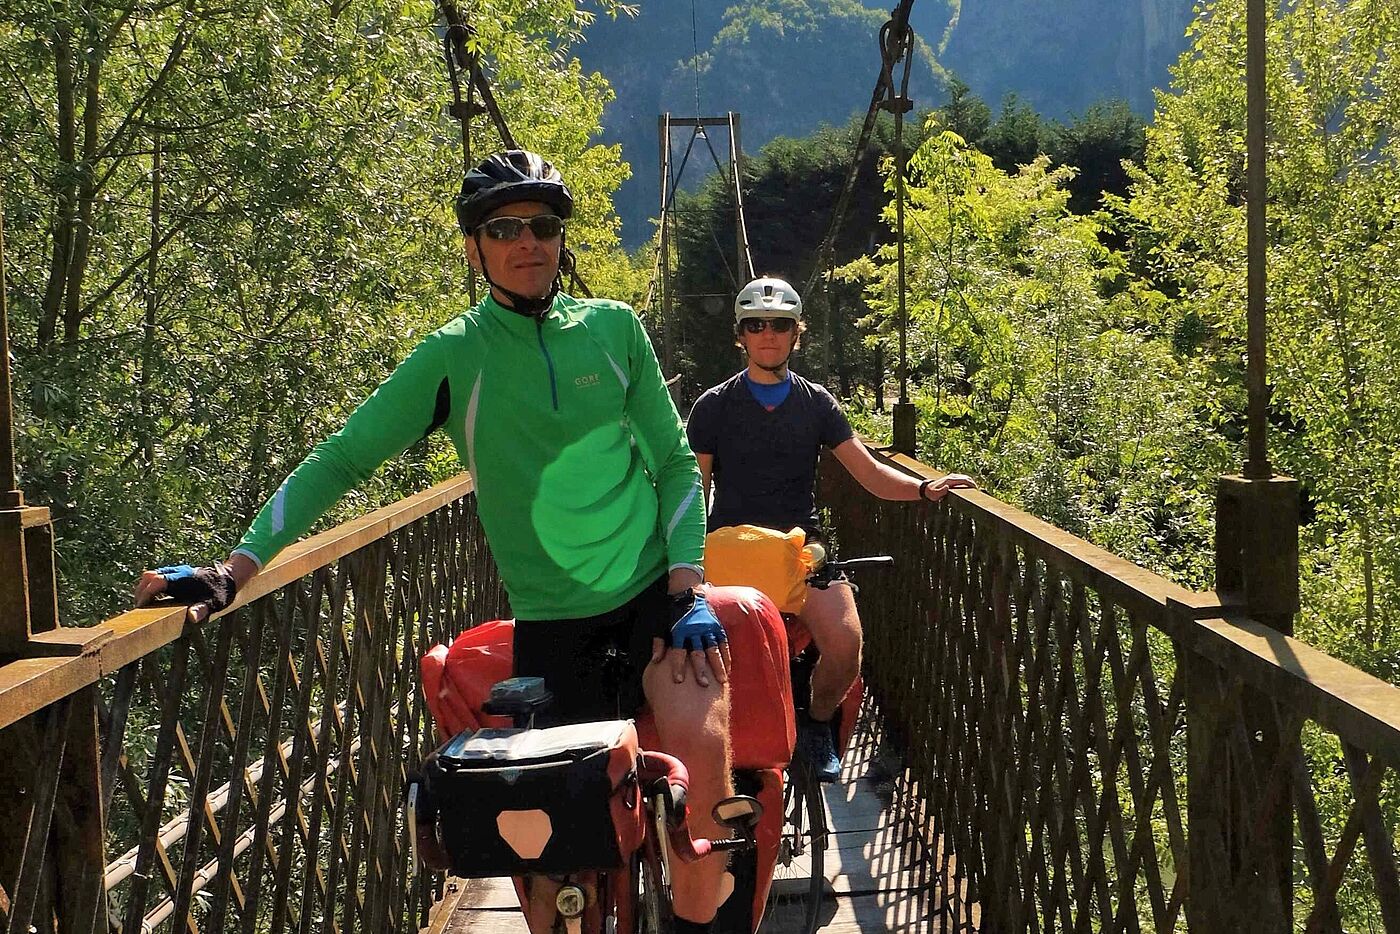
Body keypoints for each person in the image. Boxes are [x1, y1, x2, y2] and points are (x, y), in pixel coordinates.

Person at [134, 151, 734, 934]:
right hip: (554, 626)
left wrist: (688, 584)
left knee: (706, 774)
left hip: (658, 598)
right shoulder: (454, 356)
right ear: (474, 247)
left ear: (561, 238)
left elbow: (674, 462)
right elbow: (343, 458)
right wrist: (234, 568)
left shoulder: (616, 329)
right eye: (504, 227)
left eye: (544, 224)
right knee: (552, 860)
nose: (528, 241)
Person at [686, 275, 976, 783]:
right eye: (755, 325)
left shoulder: (816, 403)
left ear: (797, 334)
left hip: (804, 553)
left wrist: (926, 488)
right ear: (740, 335)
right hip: (731, 553)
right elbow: (693, 491)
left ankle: (816, 722)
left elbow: (868, 473)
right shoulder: (713, 406)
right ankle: (720, 747)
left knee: (846, 644)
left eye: (779, 325)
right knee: (704, 655)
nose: (767, 335)